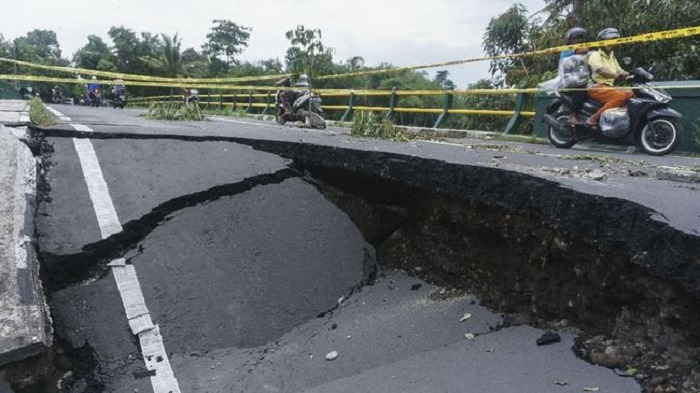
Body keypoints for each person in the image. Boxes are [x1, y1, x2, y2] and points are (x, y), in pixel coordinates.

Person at [585, 28, 633, 128]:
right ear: (601, 42)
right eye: (609, 40)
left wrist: (632, 74)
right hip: (596, 87)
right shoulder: (595, 55)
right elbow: (600, 70)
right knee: (620, 97)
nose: (611, 43)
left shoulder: (612, 57)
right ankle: (594, 118)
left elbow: (620, 71)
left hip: (609, 87)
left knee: (632, 93)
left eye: (613, 41)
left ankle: (618, 120)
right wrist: (617, 76)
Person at [558, 27, 590, 124]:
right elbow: (582, 51)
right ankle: (573, 115)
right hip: (568, 80)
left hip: (581, 79)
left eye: (580, 37)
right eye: (575, 38)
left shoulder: (584, 48)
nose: (578, 40)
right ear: (570, 39)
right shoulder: (566, 49)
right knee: (581, 92)